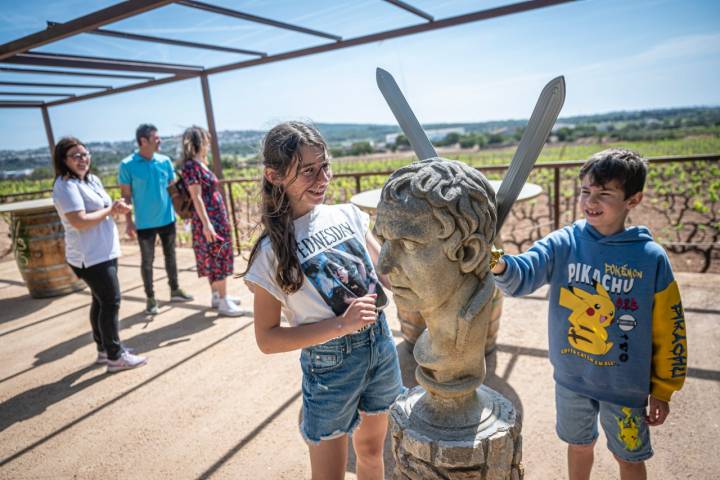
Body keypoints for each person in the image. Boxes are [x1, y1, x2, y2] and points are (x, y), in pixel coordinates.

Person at [491, 149, 688, 480]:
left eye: (604, 193)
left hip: (625, 388)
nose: (590, 201)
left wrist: (664, 389)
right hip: (571, 379)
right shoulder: (565, 242)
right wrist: (492, 258)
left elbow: (670, 331)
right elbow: (522, 273)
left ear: (633, 199)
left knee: (629, 458)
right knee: (579, 445)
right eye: (585, 191)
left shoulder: (650, 258)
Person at [240, 121, 403, 480]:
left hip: (381, 346)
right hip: (331, 366)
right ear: (275, 175)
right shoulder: (269, 254)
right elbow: (267, 339)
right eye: (308, 171)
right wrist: (341, 324)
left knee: (372, 453)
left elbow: (387, 274)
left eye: (324, 166)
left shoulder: (348, 214)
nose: (322, 178)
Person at [52, 137, 147, 373]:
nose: (82, 159)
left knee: (100, 301)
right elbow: (79, 221)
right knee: (111, 302)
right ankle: (115, 356)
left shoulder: (91, 180)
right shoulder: (65, 186)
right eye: (75, 155)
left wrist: (116, 209)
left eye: (85, 154)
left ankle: (105, 350)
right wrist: (111, 210)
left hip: (104, 251)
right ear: (63, 160)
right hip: (89, 256)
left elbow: (103, 209)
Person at [118, 123, 193, 314]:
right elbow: (126, 196)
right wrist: (128, 222)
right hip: (144, 223)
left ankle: (175, 289)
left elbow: (173, 191)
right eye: (156, 138)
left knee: (171, 256)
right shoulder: (127, 165)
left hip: (167, 219)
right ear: (143, 141)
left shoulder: (164, 161)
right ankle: (151, 298)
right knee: (147, 262)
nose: (159, 141)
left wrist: (183, 213)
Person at [179, 126, 242, 316]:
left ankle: (217, 296)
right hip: (210, 219)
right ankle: (223, 300)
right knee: (218, 256)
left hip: (214, 218)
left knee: (214, 255)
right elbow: (196, 196)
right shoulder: (192, 166)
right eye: (206, 139)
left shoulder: (199, 164)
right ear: (200, 141)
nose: (209, 143)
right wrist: (207, 224)